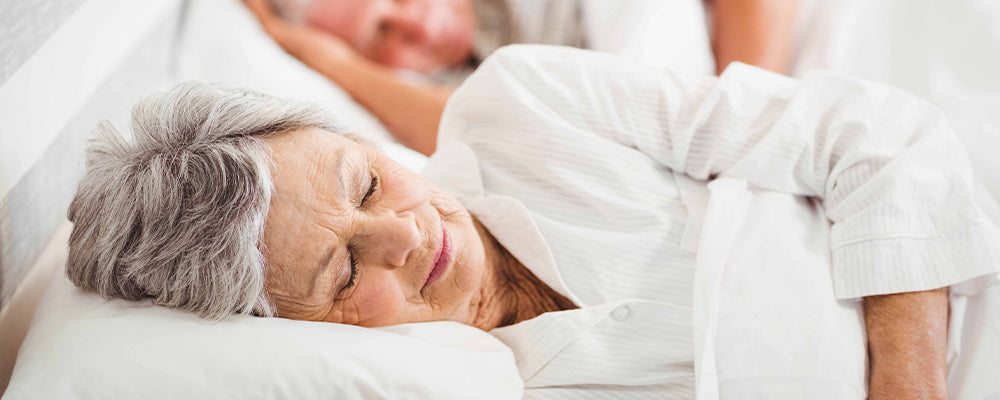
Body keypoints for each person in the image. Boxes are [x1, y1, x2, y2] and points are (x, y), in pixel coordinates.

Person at [65, 46, 1000, 398]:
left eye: (365, 182)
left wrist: (911, 383)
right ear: (297, 331)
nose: (402, 234)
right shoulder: (453, 385)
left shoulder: (524, 105)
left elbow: (871, 134)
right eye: (345, 274)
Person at [242, 0, 799, 156]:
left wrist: (740, 123)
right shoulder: (447, 83)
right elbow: (486, 125)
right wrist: (335, 65)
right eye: (380, 35)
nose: (418, 24)